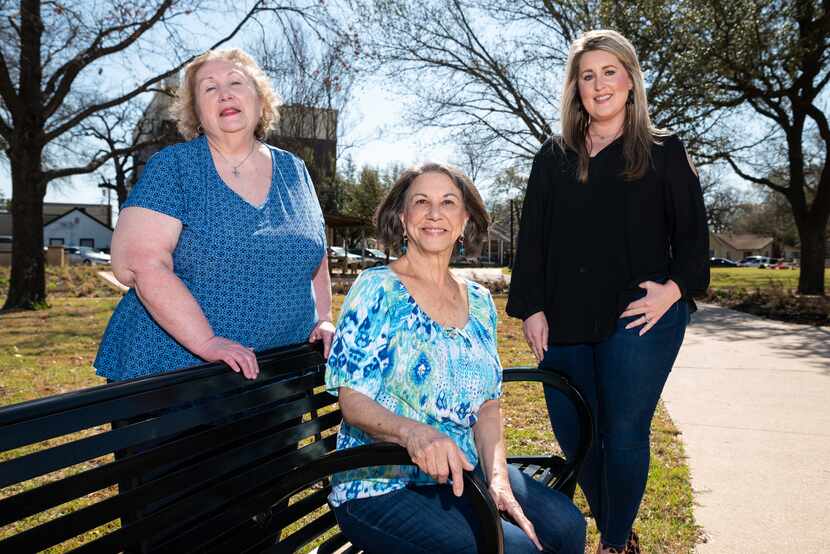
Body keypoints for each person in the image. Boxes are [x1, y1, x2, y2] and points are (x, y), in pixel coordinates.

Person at [506, 30, 709, 554]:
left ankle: (615, 543)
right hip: (566, 316)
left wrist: (674, 290)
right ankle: (620, 523)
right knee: (576, 435)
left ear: (630, 81)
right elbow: (532, 241)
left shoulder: (664, 151)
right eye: (587, 75)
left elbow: (693, 239)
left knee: (622, 432)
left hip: (640, 316)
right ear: (576, 87)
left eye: (609, 72)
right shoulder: (553, 156)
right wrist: (531, 308)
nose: (599, 85)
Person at [325, 163, 586, 554]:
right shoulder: (377, 289)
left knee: (567, 527)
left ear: (464, 221)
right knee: (516, 550)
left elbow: (487, 405)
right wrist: (415, 434)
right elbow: (353, 403)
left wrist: (498, 477)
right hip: (380, 483)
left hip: (462, 472)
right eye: (421, 202)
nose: (434, 213)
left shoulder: (479, 301)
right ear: (403, 216)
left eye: (448, 202)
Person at [95, 48, 334, 381]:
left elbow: (315, 253)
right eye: (209, 88)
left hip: (278, 378)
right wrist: (206, 342)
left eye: (236, 82)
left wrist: (323, 317)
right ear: (196, 112)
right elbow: (138, 263)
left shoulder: (295, 170)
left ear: (260, 99)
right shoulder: (174, 167)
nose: (225, 94)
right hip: (175, 377)